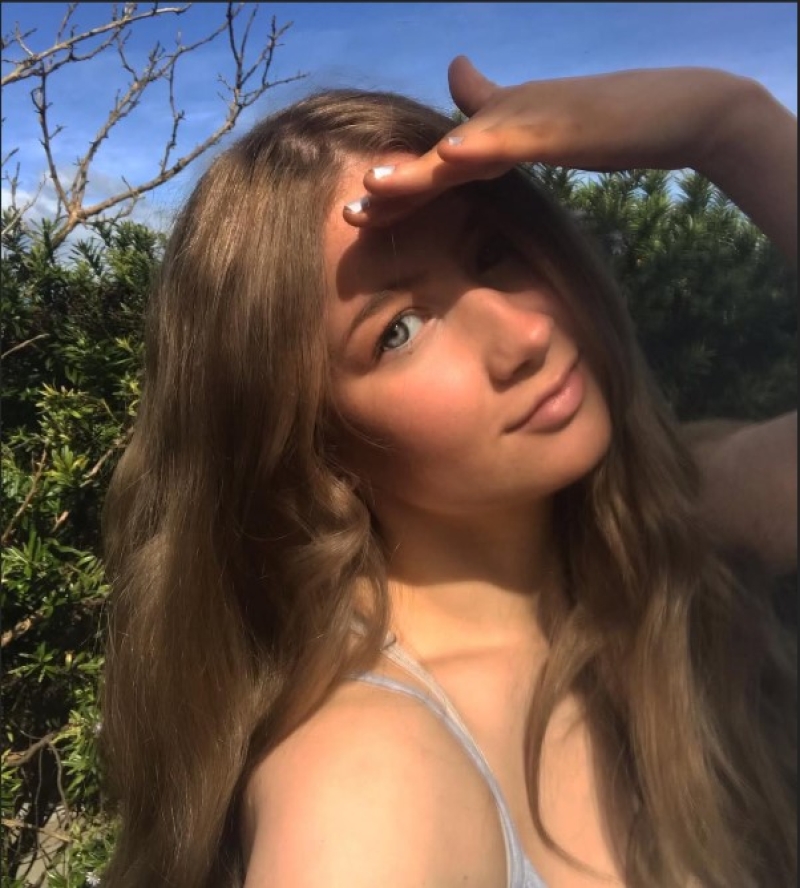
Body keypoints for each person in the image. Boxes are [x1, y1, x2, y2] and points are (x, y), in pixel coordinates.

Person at [100, 57, 797, 888]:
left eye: (494, 252)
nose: (524, 336)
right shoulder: (367, 789)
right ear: (313, 444)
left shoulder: (670, 520)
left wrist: (728, 124)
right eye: (398, 329)